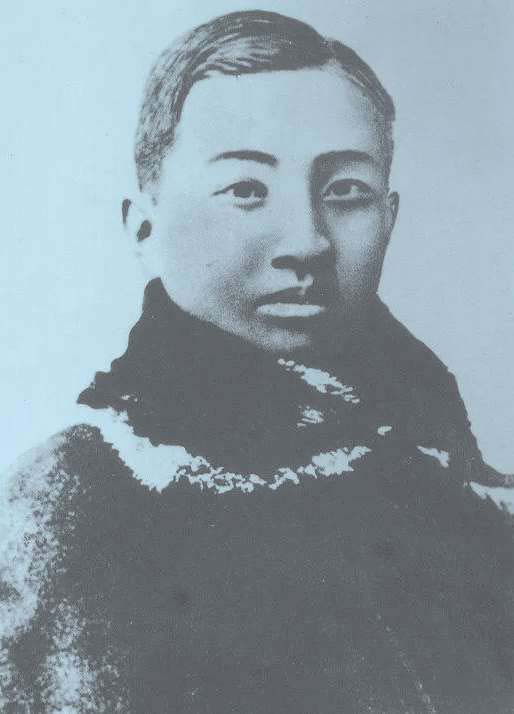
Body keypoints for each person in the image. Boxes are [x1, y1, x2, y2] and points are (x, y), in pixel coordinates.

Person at [1, 10, 513, 713]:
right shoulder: (63, 515)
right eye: (246, 190)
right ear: (144, 227)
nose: (307, 242)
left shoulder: (463, 495)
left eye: (346, 192)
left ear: (390, 218)